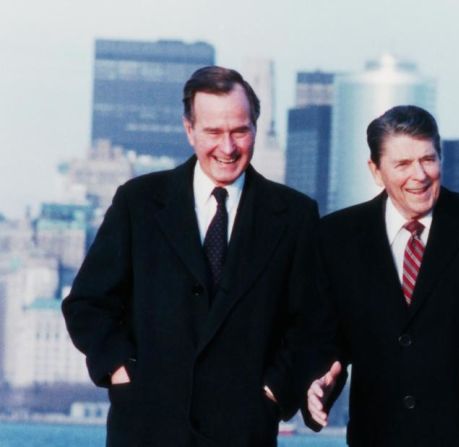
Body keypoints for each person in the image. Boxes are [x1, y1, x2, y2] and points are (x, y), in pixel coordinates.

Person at [62, 66, 318, 447]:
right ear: (189, 130)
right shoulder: (139, 203)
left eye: (239, 131)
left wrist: (273, 393)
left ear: (256, 129)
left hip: (244, 432)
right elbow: (86, 305)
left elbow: (310, 324)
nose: (227, 148)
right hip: (147, 428)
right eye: (214, 132)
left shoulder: (295, 215)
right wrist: (121, 372)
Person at [304, 105, 459, 446]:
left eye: (428, 159)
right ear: (376, 171)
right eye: (403, 164)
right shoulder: (336, 236)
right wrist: (317, 383)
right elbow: (324, 339)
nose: (420, 175)